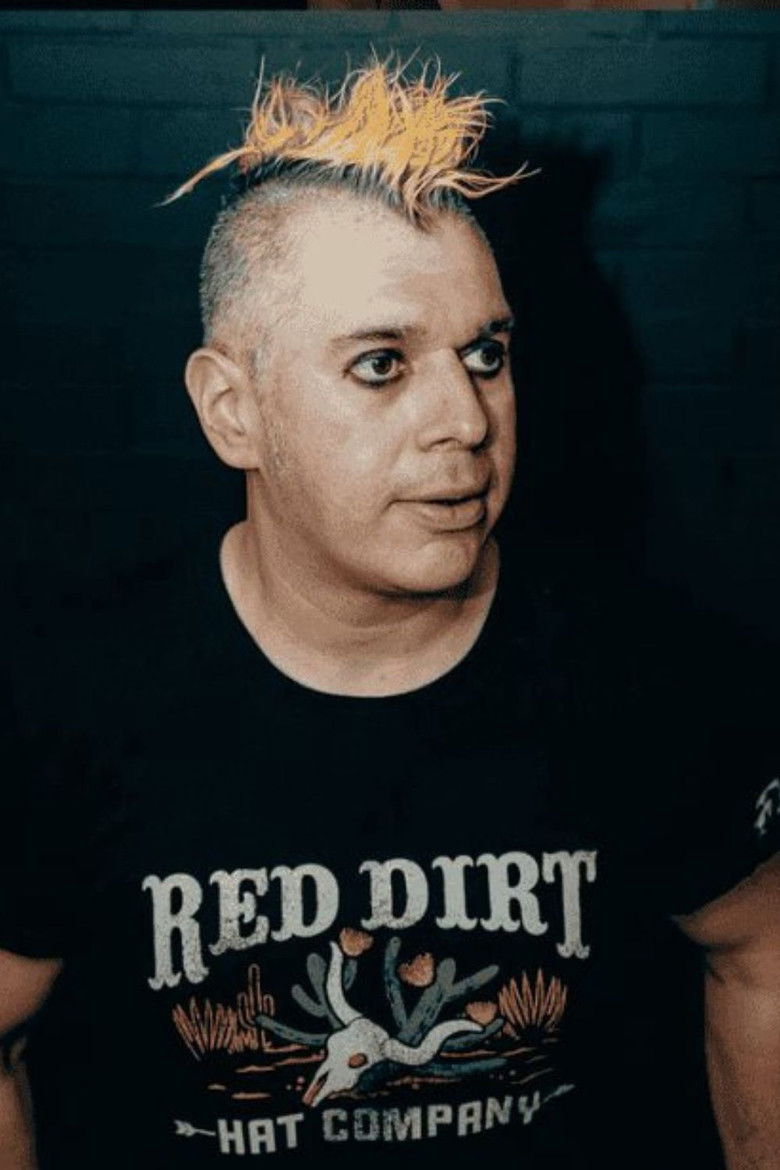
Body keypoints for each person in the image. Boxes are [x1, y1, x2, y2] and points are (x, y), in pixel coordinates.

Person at [2, 58, 778, 1170]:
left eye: (486, 354)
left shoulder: (650, 674)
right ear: (232, 410)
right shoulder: (67, 697)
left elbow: (761, 952)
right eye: (381, 364)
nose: (467, 419)